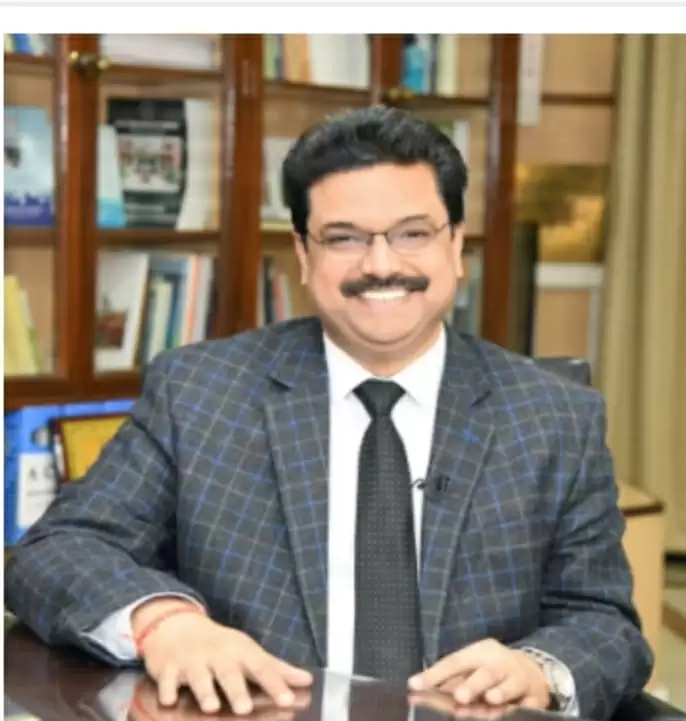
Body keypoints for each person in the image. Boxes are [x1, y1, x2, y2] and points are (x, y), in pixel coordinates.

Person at [5, 106, 652, 721]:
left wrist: (538, 669)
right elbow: (58, 550)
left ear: (456, 245)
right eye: (345, 238)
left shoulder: (554, 417)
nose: (381, 265)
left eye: (413, 234)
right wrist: (166, 622)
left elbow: (604, 622)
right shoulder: (200, 392)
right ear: (304, 253)